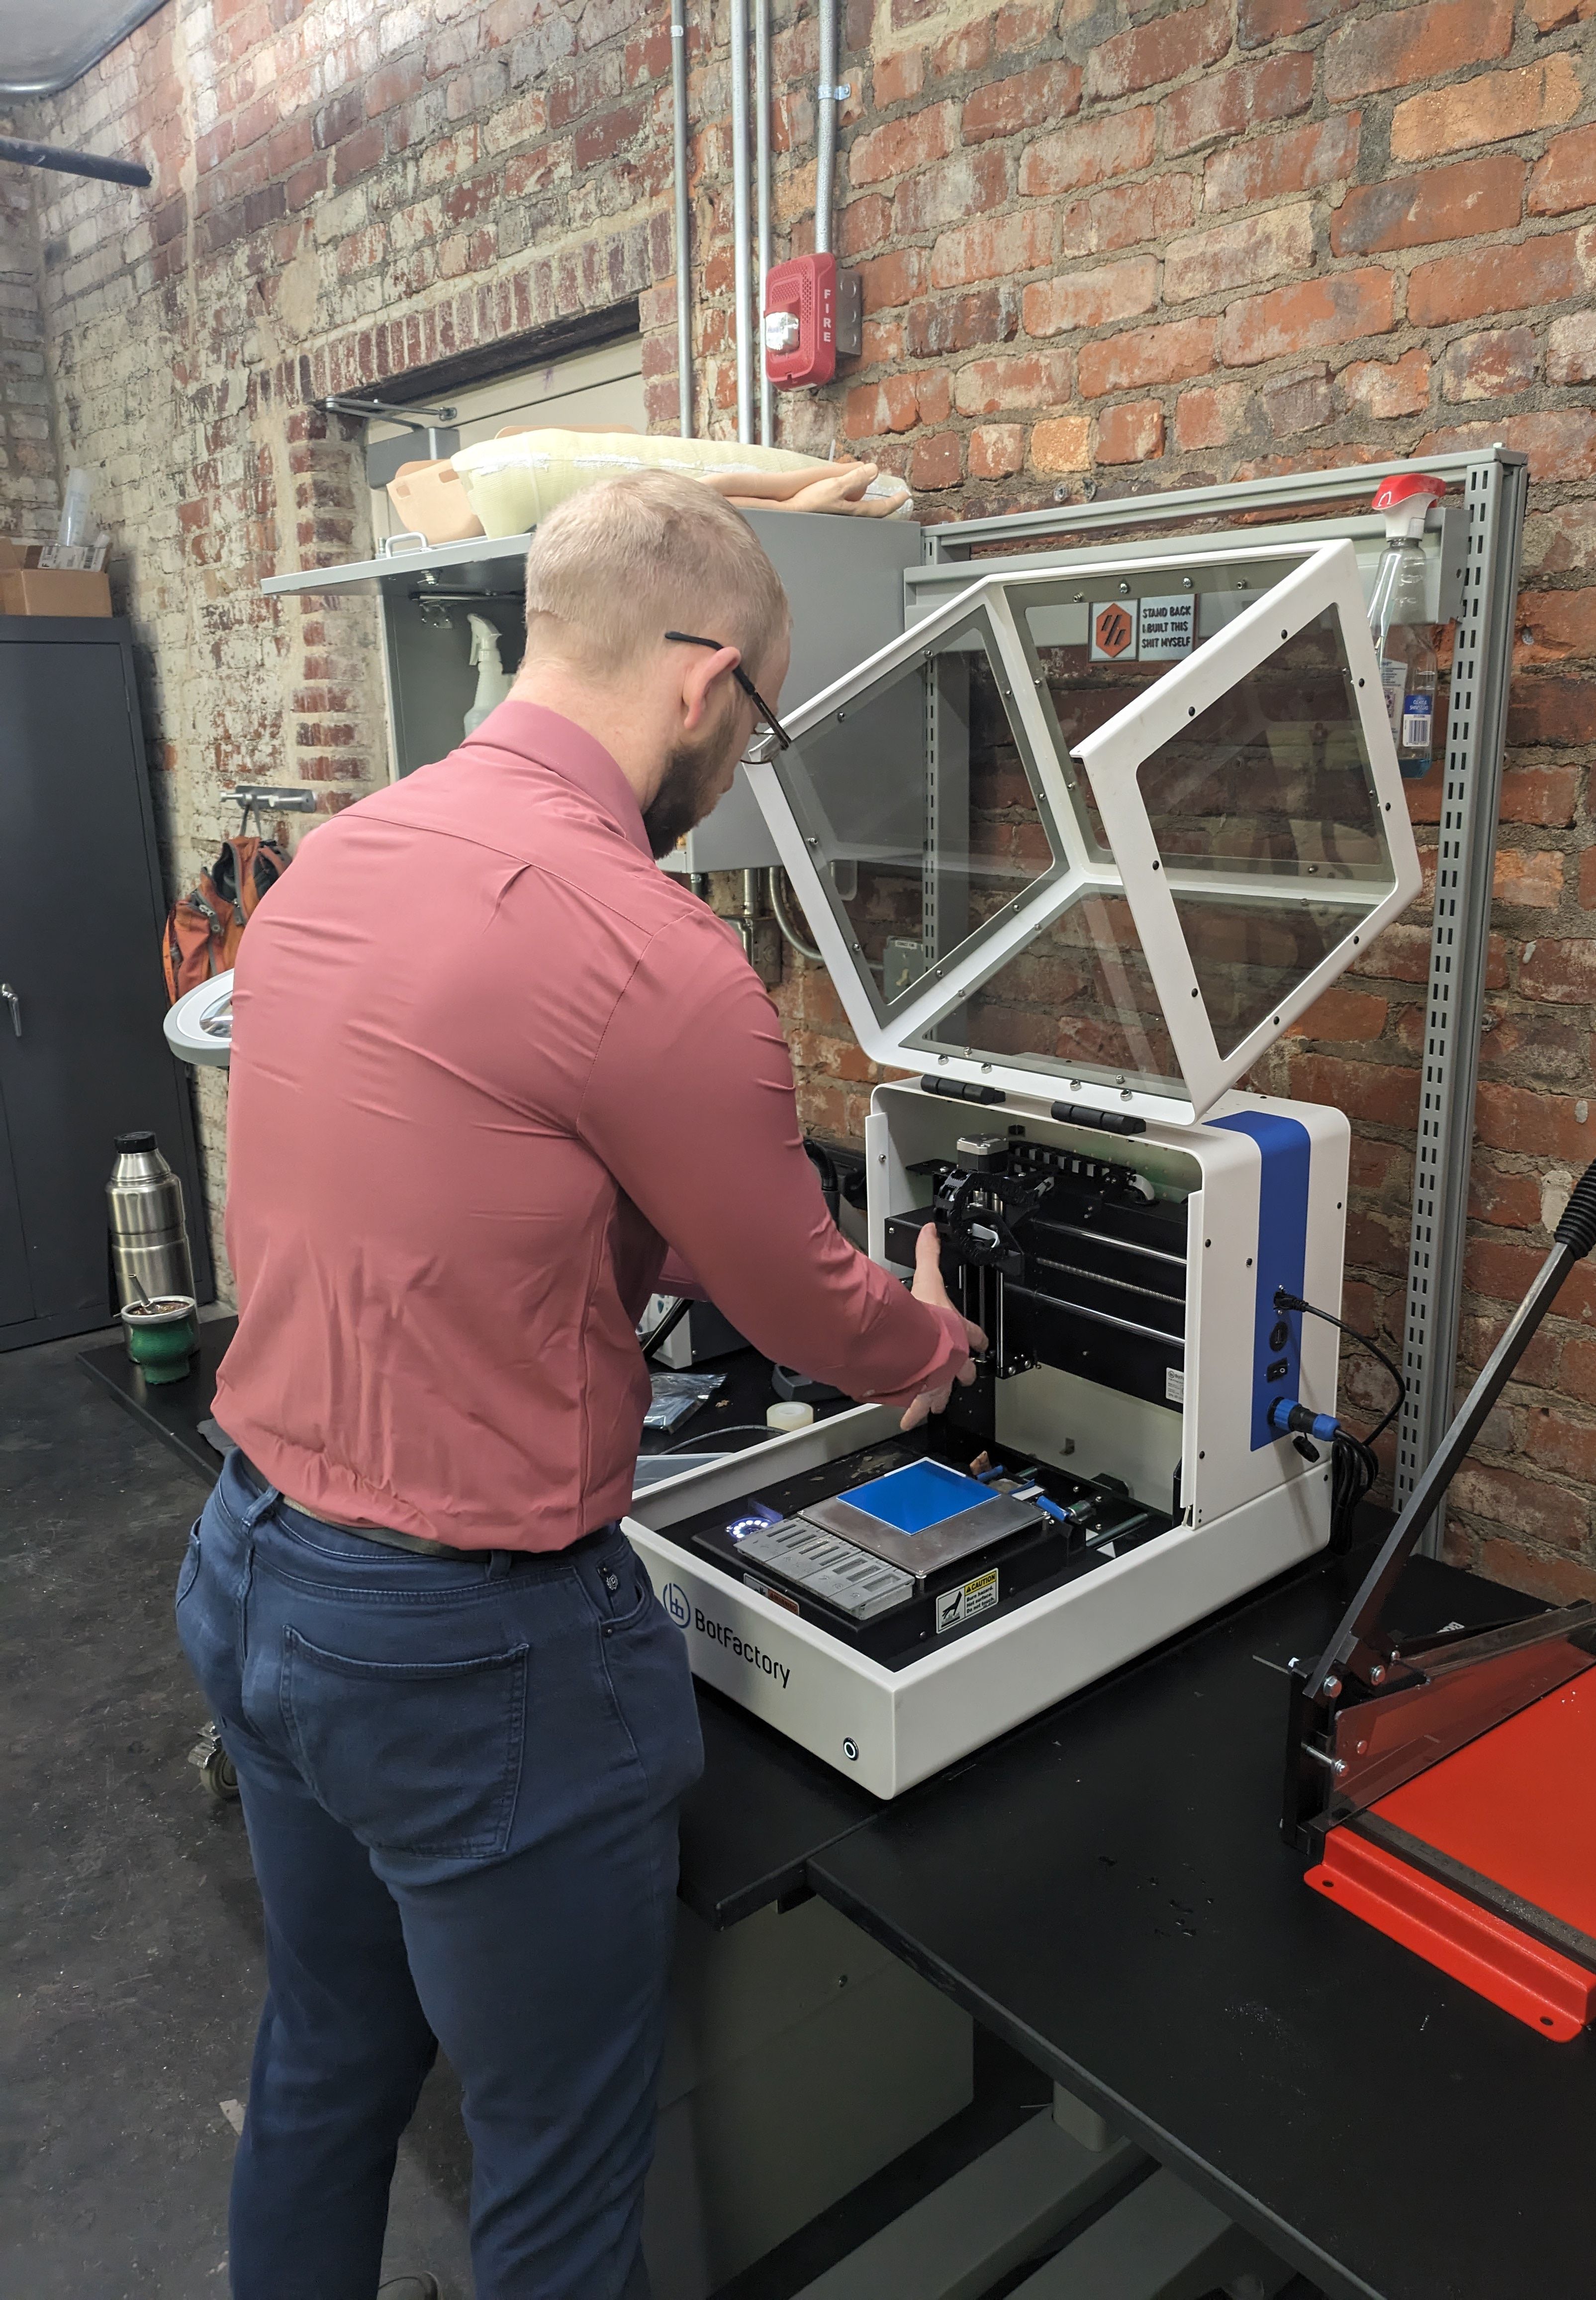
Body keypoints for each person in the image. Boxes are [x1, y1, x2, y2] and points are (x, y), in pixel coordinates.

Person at [175, 471, 984, 2300]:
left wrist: (704, 1237)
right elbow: (806, 1308)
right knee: (554, 2172)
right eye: (764, 719)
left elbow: (477, 1187)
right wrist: (931, 1345)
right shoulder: (654, 952)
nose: (746, 760)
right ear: (706, 684)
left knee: (328, 2056)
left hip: (250, 1570)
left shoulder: (336, 865)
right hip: (466, 1656)